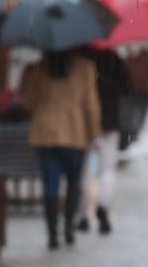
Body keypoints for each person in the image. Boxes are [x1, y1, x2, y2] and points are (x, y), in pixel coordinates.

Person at [19, 48, 101, 249]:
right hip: (75, 133)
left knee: (50, 183)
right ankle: (68, 229)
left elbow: (27, 102)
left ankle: (52, 234)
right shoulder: (85, 69)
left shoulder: (34, 69)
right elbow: (91, 104)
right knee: (74, 181)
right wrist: (94, 133)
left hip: (45, 133)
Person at [77, 47, 132, 235]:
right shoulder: (114, 59)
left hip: (86, 124)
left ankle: (83, 215)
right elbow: (127, 88)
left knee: (85, 169)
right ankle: (103, 204)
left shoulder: (83, 58)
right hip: (109, 124)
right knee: (107, 169)